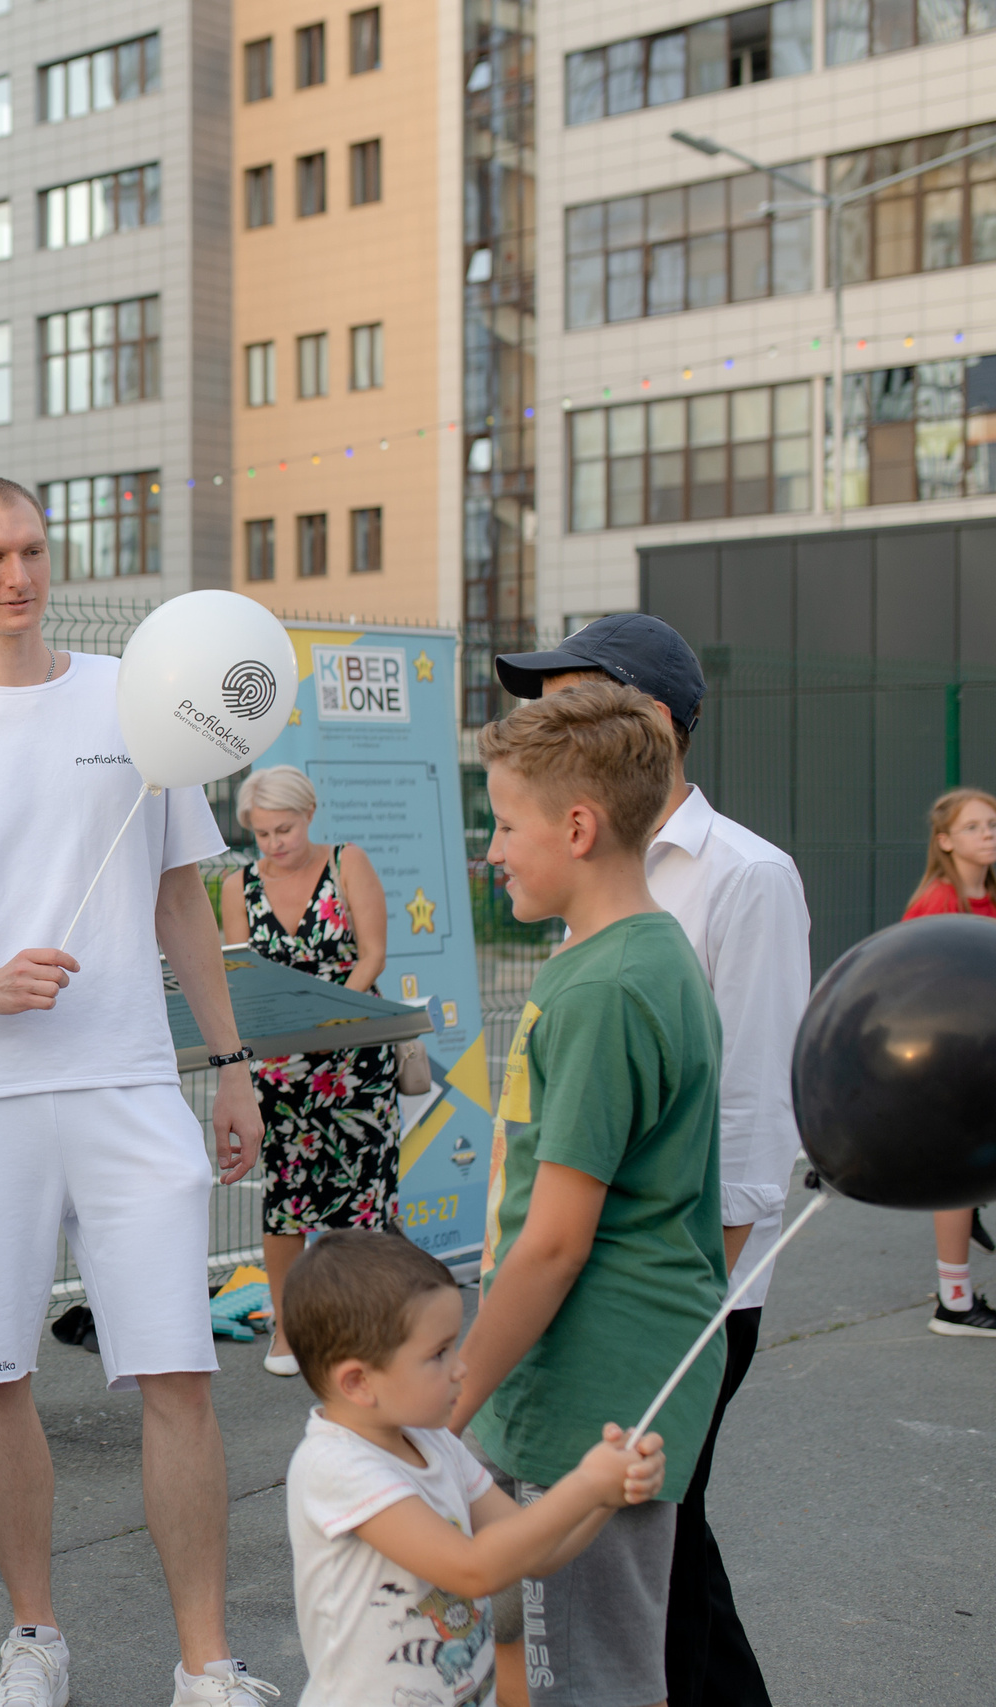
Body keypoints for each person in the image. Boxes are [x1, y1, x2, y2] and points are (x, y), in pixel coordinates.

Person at [0, 476, 274, 1707]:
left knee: (177, 1373)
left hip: (129, 1087)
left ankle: (207, 1662)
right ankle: (35, 1640)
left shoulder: (133, 703)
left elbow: (181, 896)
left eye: (29, 550)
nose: (14, 575)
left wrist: (231, 1067)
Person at [498, 612, 809, 1706]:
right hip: (607, 1283)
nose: (547, 717)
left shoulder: (744, 876)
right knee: (658, 1564)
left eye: (573, 699)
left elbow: (752, 1111)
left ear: (656, 727)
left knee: (647, 1571)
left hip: (683, 1291)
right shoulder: (592, 866)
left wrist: (700, 1306)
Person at [450, 682, 727, 1707]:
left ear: (577, 826)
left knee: (590, 1677)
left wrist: (452, 1397)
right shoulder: (625, 959)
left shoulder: (607, 987)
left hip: (590, 1393)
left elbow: (557, 1242)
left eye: (504, 821)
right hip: (605, 1376)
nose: (491, 847)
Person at [281, 1229, 665, 1707]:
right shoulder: (336, 1466)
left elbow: (537, 1550)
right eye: (438, 1354)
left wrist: (608, 1495)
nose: (460, 1367)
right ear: (359, 1382)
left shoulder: (432, 1441)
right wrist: (586, 1484)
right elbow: (474, 1570)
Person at [216, 765, 397, 1380]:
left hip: (355, 1061)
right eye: (262, 833)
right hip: (281, 1065)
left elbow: (372, 953)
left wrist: (331, 1015)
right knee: (285, 1202)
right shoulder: (237, 885)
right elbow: (238, 977)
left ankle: (360, 1329)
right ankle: (290, 1332)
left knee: (361, 1204)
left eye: (284, 829)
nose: (274, 844)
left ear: (308, 816)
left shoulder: (348, 862)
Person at [897, 786, 996, 1337]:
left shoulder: (991, 895)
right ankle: (954, 1304)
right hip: (958, 1070)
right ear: (945, 841)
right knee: (956, 1180)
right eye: (974, 827)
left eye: (992, 824)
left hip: (989, 1060)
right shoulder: (936, 904)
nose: (988, 835)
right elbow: (914, 994)